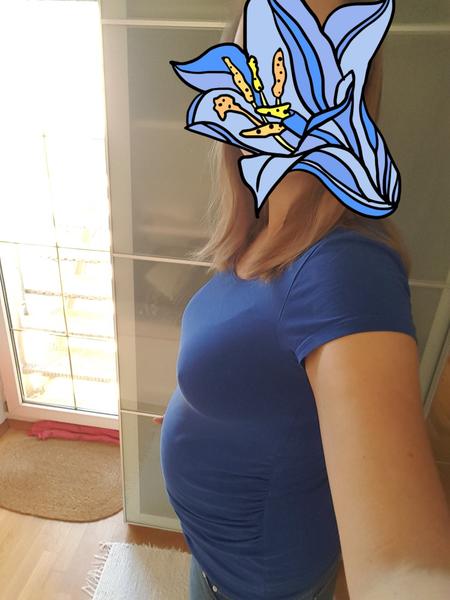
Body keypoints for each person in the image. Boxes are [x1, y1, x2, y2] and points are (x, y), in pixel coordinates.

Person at [154, 1, 450, 598]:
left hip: (260, 582)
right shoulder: (263, 230)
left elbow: (402, 569)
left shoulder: (344, 267)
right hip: (216, 560)